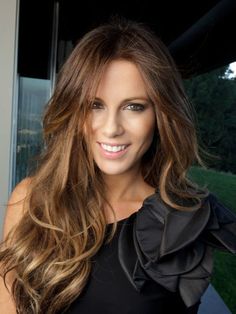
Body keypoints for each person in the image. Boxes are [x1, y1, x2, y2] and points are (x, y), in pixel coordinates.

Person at [0, 16, 236, 314]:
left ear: (161, 115)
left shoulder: (182, 221)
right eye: (94, 105)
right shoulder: (29, 200)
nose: (111, 128)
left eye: (133, 107)